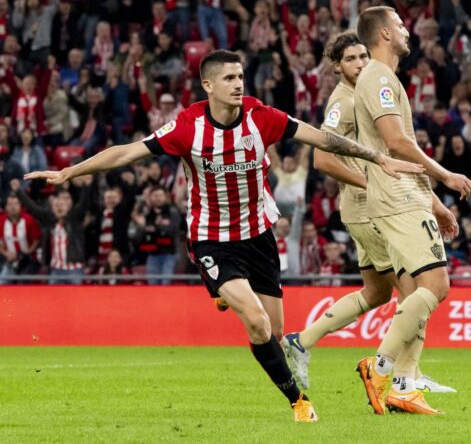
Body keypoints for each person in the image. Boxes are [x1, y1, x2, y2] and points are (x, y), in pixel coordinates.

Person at [24, 49, 424, 423]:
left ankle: (223, 293)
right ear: (208, 86)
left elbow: (322, 138)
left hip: (258, 234)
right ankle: (299, 402)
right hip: (212, 237)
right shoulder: (187, 127)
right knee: (255, 323)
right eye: (229, 77)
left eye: (241, 76)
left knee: (275, 330)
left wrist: (378, 157)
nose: (238, 83)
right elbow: (125, 152)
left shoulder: (260, 116)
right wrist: (67, 173)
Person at [280, 32, 456, 395]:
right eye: (351, 59)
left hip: (371, 207)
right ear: (337, 67)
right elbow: (323, 158)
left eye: (363, 56)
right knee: (417, 290)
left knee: (376, 293)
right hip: (369, 209)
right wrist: (369, 181)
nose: (361, 63)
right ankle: (406, 376)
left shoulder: (368, 93)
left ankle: (300, 341)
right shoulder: (343, 102)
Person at [352, 6, 471, 415]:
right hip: (397, 198)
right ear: (384, 34)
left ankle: (403, 385)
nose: (408, 32)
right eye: (401, 26)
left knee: (412, 292)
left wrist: (434, 203)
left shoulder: (383, 78)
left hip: (402, 197)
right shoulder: (379, 77)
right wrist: (445, 176)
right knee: (435, 287)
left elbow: (397, 148)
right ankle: (380, 367)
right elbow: (396, 141)